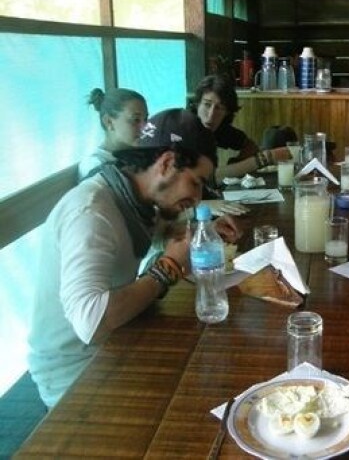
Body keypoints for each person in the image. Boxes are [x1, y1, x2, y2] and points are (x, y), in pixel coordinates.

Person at [28, 108, 242, 408]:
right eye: (195, 182)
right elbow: (91, 321)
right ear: (166, 163)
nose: (196, 198)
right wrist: (168, 267)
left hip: (117, 341)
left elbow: (161, 231)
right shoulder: (90, 212)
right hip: (76, 371)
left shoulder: (134, 197)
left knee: (218, 366)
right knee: (207, 391)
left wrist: (203, 230)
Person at [192, 74, 290, 179]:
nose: (211, 115)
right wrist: (265, 158)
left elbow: (249, 145)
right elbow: (208, 179)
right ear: (197, 104)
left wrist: (236, 162)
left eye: (219, 108)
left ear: (227, 112)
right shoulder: (186, 130)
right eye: (207, 104)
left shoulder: (218, 128)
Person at [78, 88, 148, 180]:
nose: (146, 127)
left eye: (146, 119)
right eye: (136, 120)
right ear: (109, 122)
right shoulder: (94, 166)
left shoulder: (141, 153)